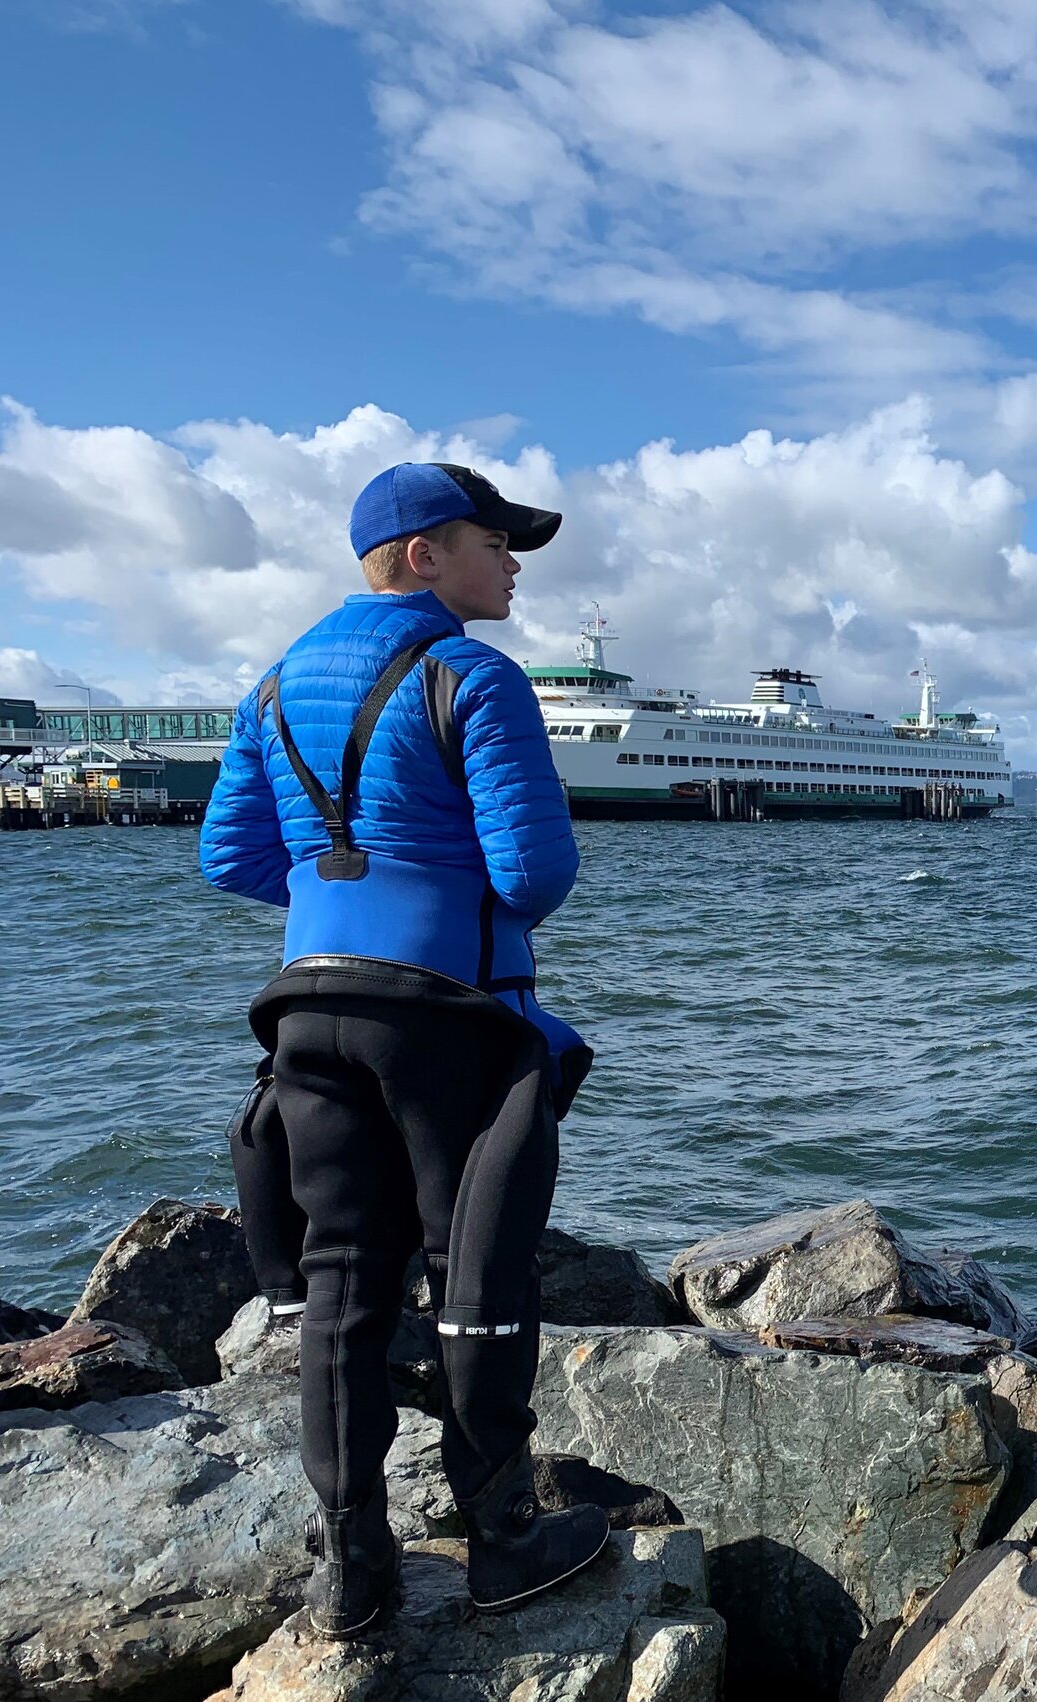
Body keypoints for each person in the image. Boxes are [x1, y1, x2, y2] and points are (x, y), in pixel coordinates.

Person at [202, 462, 607, 1639]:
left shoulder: (274, 683)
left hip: (303, 1014)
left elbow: (228, 859)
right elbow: (535, 874)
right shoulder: (472, 673)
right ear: (425, 556)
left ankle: (352, 1574)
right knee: (475, 1271)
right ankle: (504, 1544)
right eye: (496, 543)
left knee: (342, 1282)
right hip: (447, 1019)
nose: (515, 563)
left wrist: (350, 891)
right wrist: (426, 899)